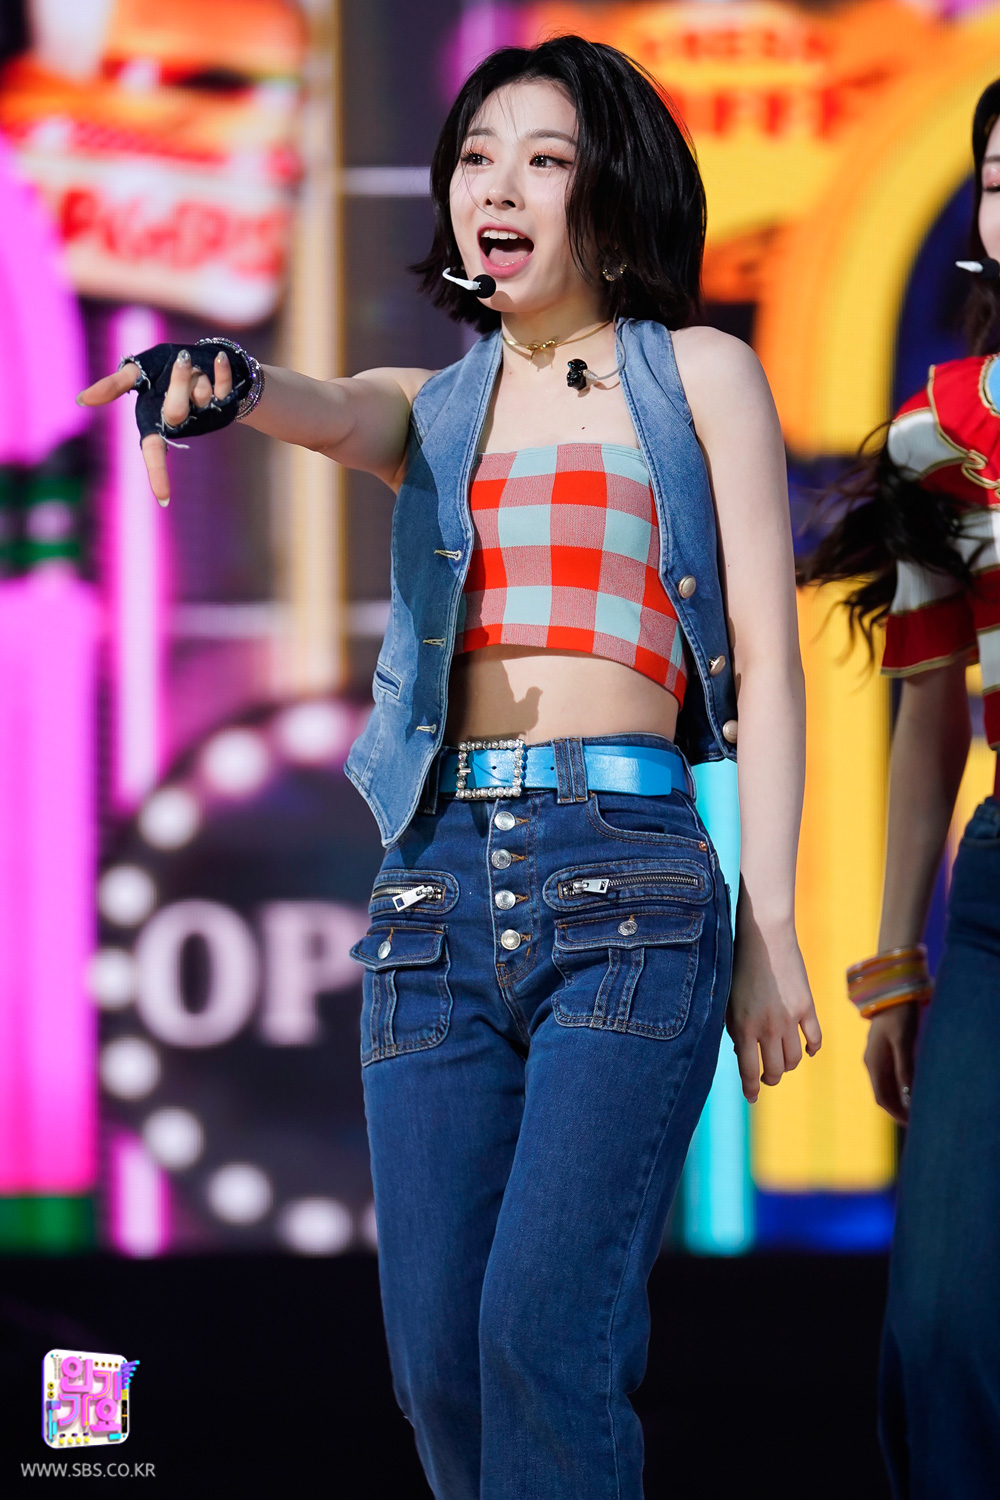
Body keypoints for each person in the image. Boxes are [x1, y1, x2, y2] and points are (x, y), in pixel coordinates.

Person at [80, 36, 820, 1500]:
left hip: (629, 887)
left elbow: (773, 664)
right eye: (477, 157)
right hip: (432, 897)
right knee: (436, 1362)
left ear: (614, 191)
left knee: (541, 1331)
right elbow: (326, 404)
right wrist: (226, 381)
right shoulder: (435, 406)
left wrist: (774, 924)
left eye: (544, 159)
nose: (498, 186)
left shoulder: (700, 376)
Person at [801, 78, 1000, 1500]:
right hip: (997, 904)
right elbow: (930, 708)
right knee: (942, 1328)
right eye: (999, 177)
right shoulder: (942, 433)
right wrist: (893, 969)